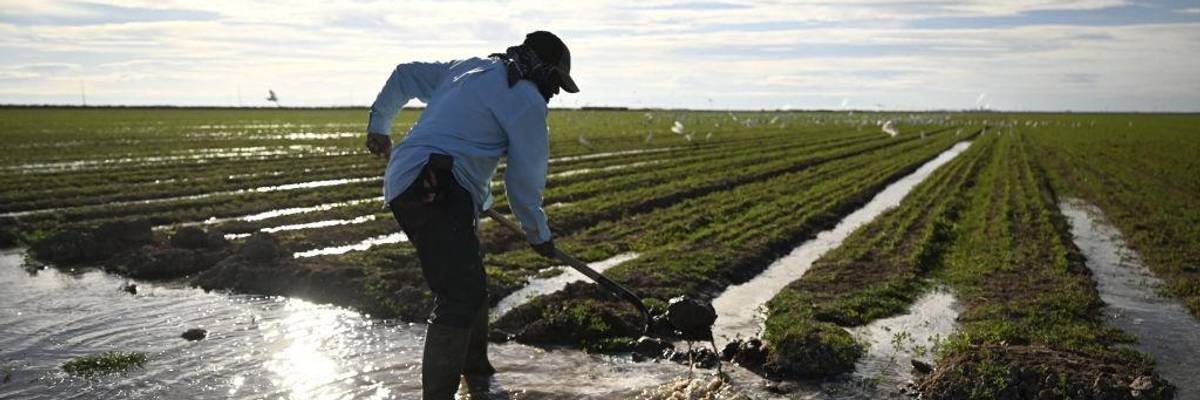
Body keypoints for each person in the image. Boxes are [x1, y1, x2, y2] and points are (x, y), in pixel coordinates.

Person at [363, 31, 578, 399]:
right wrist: (538, 235)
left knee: (470, 277)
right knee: (460, 293)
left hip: (413, 179)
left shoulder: (469, 68)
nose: (555, 92)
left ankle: (477, 373)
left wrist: (379, 125)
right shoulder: (526, 100)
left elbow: (405, 76)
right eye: (556, 82)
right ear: (544, 70)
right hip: (434, 186)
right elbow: (524, 184)